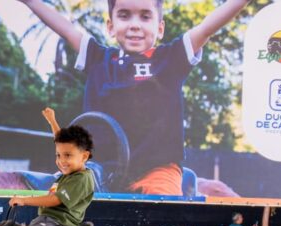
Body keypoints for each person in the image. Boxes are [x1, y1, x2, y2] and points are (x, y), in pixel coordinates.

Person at [18, 0, 251, 195]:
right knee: (67, 195)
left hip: (156, 169)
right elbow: (67, 29)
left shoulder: (170, 58)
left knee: (161, 209)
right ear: (110, 26)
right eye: (124, 15)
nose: (135, 25)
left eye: (145, 16)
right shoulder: (99, 58)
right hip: (102, 169)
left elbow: (207, 27)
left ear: (160, 28)